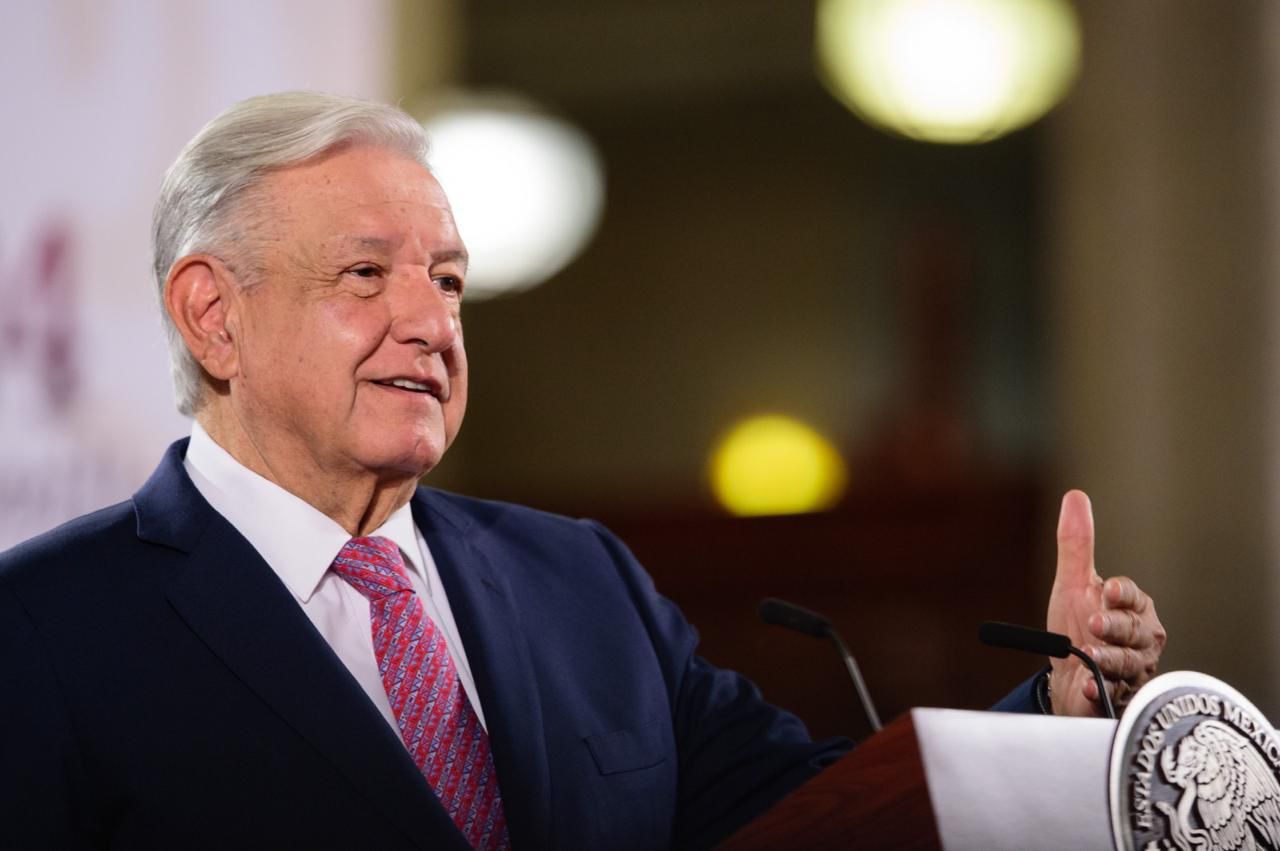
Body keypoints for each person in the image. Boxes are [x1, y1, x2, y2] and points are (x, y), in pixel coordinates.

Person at [0, 92, 1165, 850]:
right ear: (214, 316)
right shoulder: (43, 630)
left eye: (448, 281)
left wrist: (1049, 712)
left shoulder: (577, 576)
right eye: (365, 275)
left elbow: (807, 815)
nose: (431, 323)